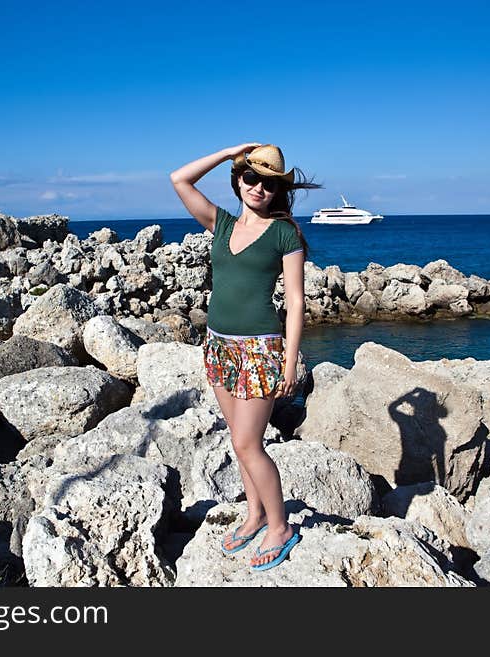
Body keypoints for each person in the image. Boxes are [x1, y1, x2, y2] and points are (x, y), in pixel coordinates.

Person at [170, 143, 320, 571]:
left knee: (247, 442)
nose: (258, 187)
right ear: (238, 180)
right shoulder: (220, 223)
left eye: (268, 183)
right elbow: (179, 178)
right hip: (218, 345)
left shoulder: (284, 234)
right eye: (250, 178)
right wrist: (230, 152)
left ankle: (280, 527)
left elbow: (295, 301)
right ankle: (254, 515)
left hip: (258, 351)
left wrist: (289, 364)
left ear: (277, 190)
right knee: (240, 442)